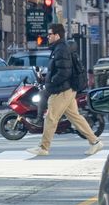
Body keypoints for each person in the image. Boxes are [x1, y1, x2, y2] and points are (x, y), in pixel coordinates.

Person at [28, 22, 104, 157]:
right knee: (75, 117)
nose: (48, 37)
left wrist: (50, 82)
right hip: (67, 89)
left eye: (50, 34)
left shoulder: (61, 49)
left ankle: (43, 147)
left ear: (57, 35)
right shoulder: (59, 48)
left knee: (51, 117)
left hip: (62, 90)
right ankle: (95, 142)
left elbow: (64, 72)